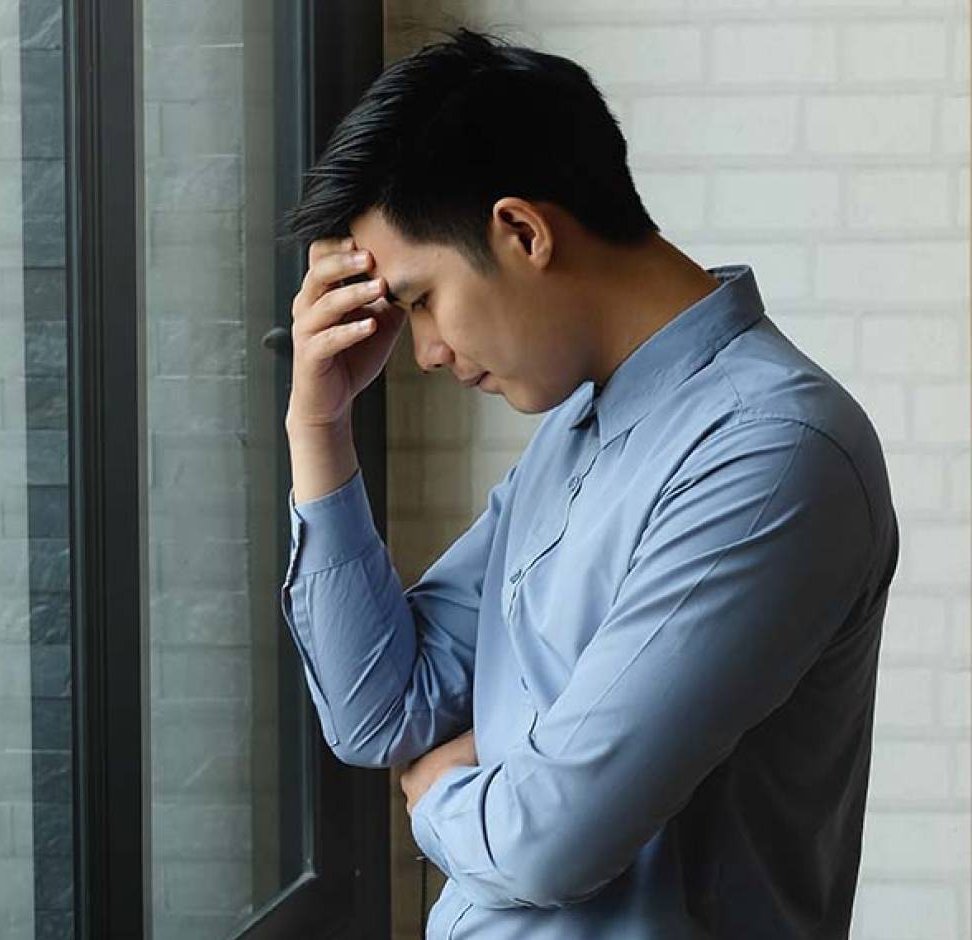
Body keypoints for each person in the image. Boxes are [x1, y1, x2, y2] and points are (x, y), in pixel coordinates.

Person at [277, 29, 898, 939]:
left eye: (420, 301)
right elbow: (383, 711)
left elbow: (547, 843)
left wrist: (438, 795)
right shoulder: (575, 434)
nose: (427, 351)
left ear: (523, 232)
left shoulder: (770, 454)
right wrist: (319, 429)